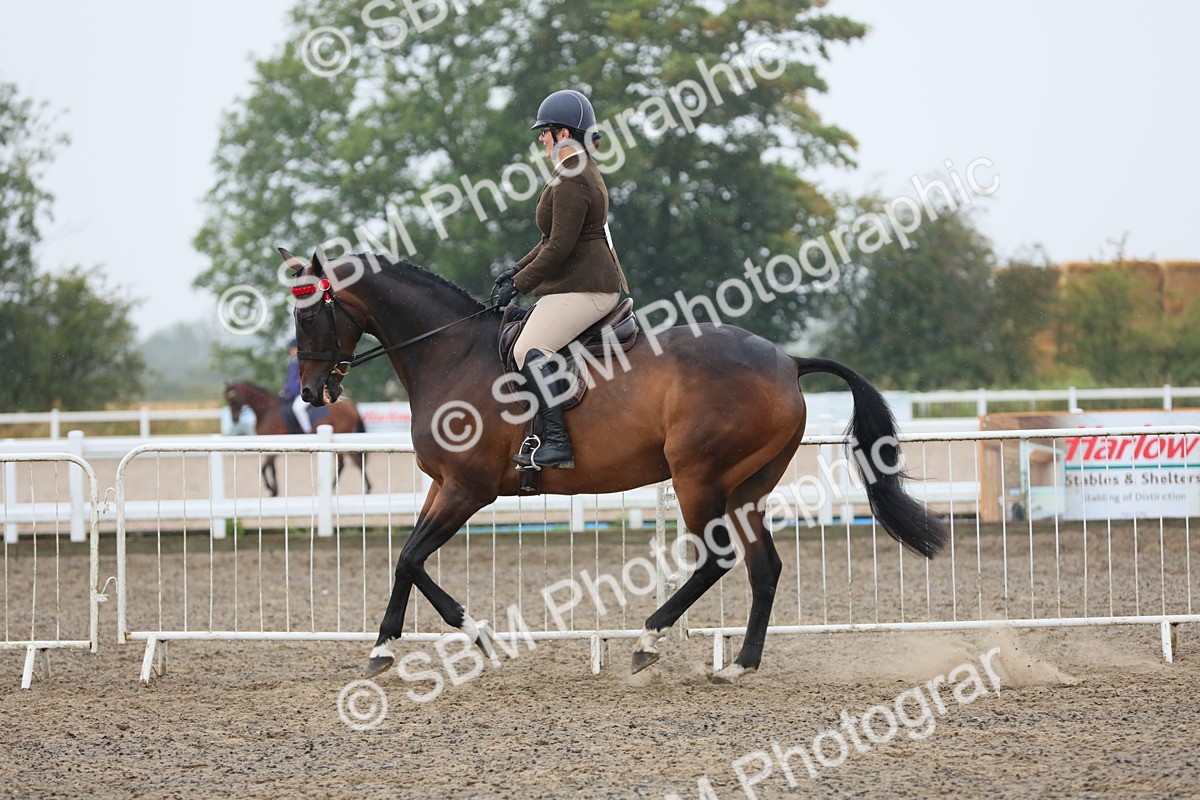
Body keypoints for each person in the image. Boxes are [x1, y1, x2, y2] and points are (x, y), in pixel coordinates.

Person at [492, 89, 630, 470]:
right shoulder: (570, 169)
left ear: (564, 133)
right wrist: (513, 272)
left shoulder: (573, 177)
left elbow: (559, 248)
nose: (541, 138)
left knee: (529, 350)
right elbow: (548, 241)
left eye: (545, 132)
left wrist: (518, 285)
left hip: (588, 286)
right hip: (576, 282)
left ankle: (557, 443)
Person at [282, 339, 312, 434]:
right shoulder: (293, 362)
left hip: (304, 392)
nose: (290, 351)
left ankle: (308, 430)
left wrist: (290, 392)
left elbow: (299, 381)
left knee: (297, 408)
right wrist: (285, 390)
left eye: (292, 349)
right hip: (294, 392)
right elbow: (290, 380)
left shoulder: (302, 362)